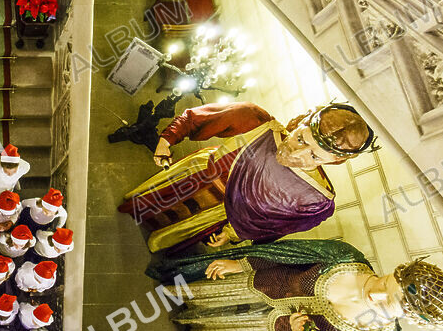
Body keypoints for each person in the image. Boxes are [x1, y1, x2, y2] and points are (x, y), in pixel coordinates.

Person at [148, 239, 443, 331]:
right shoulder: (344, 258)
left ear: (409, 317)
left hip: (274, 330)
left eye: (387, 303)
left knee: (230, 329)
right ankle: (176, 296)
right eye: (383, 283)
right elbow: (288, 253)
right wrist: (240, 263)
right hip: (263, 283)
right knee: (209, 294)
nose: (374, 294)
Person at [119, 102, 376, 253]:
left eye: (314, 156)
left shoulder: (316, 200)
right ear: (301, 122)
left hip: (215, 214)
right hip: (192, 176)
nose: (297, 153)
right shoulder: (256, 121)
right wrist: (167, 139)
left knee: (161, 233)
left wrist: (233, 233)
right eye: (300, 139)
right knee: (144, 204)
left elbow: (273, 226)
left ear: (335, 161)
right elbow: (197, 118)